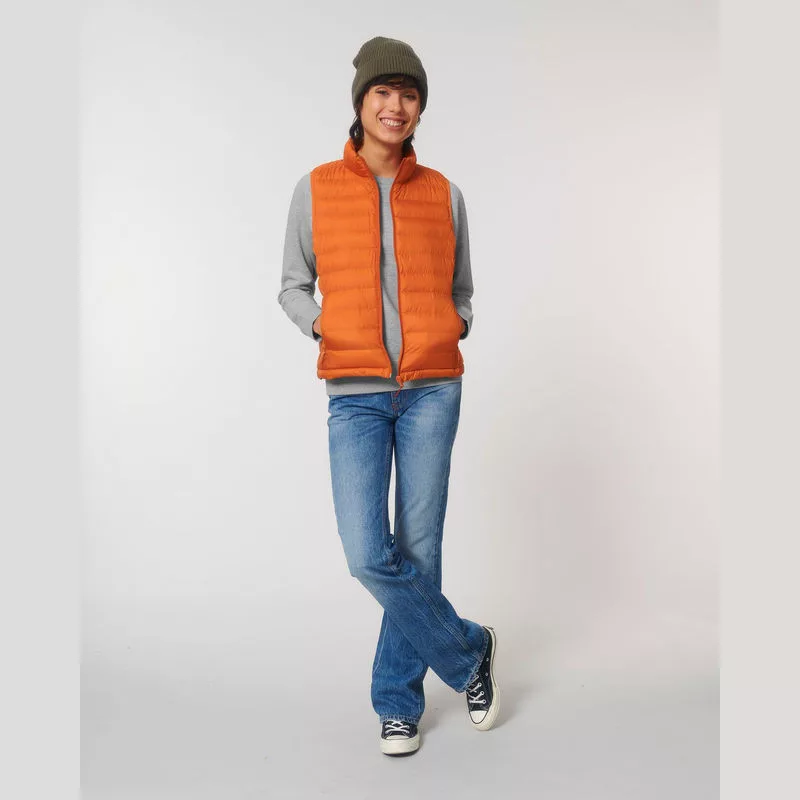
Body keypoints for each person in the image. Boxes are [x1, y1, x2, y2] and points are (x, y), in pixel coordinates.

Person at [277, 35, 499, 756]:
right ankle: (468, 649)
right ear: (361, 102)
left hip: (434, 389)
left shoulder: (443, 193)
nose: (396, 106)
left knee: (420, 547)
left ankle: (397, 702)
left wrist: (453, 324)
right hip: (357, 394)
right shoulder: (316, 188)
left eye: (409, 95)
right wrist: (325, 327)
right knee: (368, 554)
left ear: (419, 109)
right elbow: (292, 286)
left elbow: (462, 288)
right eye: (383, 92)